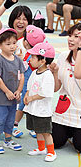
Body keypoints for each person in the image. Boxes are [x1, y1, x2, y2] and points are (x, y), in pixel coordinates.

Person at [0, 28, 25, 154]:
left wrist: (19, 91)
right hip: (1, 97)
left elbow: (21, 77)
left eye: (14, 43)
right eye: (8, 44)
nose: (12, 46)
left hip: (14, 97)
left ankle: (8, 139)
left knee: (10, 119)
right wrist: (7, 92)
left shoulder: (18, 60)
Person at [49, 23, 81, 153]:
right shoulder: (63, 56)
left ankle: (75, 131)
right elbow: (56, 88)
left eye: (76, 36)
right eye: (70, 35)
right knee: (55, 142)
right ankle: (70, 130)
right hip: (65, 108)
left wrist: (79, 50)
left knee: (79, 146)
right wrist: (55, 72)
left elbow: (78, 74)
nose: (71, 39)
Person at [23, 42, 57, 162]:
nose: (30, 60)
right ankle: (41, 148)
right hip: (33, 109)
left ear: (42, 61)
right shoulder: (34, 72)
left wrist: (31, 98)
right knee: (37, 129)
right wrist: (27, 95)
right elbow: (29, 86)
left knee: (45, 132)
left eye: (33, 57)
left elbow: (45, 93)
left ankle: (51, 152)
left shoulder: (47, 75)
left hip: (42, 110)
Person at [12, 25, 46, 138]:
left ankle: (31, 127)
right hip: (28, 87)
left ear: (26, 42)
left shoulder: (32, 56)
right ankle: (14, 126)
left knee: (28, 107)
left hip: (30, 87)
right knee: (22, 106)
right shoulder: (32, 55)